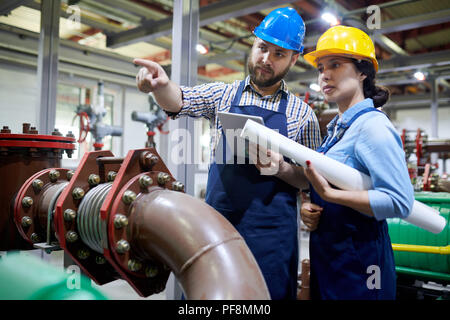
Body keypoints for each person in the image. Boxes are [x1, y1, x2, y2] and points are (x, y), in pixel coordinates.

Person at [134, 7, 321, 300]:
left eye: (278, 54)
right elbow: (180, 100)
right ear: (253, 44)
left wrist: (282, 168)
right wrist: (160, 85)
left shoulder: (302, 114)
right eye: (262, 48)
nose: (265, 60)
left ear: (294, 59)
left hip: (272, 238)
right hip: (217, 227)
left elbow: (310, 179)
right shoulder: (223, 95)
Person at [300, 25, 414, 299]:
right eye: (320, 67)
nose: (324, 74)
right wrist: (311, 206)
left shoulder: (372, 127)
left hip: (362, 268)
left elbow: (400, 202)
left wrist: (331, 195)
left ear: (363, 71)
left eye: (335, 64)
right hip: (332, 261)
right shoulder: (338, 130)